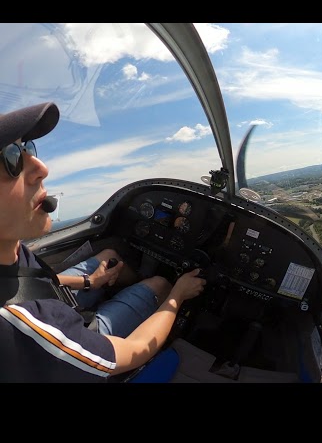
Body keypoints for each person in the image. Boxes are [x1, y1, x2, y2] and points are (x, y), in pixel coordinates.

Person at [0, 101, 206, 382]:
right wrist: (177, 295)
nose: (42, 168)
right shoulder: (23, 324)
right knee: (159, 284)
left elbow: (31, 278)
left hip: (52, 300)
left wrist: (90, 282)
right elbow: (132, 352)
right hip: (71, 332)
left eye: (28, 149)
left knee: (109, 254)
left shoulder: (8, 244)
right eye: (11, 159)